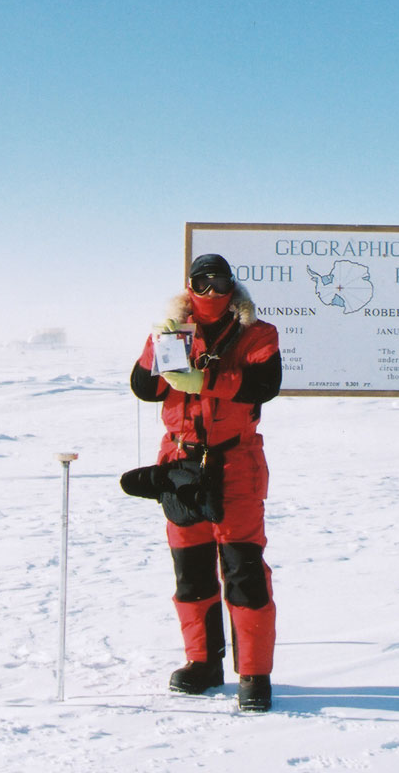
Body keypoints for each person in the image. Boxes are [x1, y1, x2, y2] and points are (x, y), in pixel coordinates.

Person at [128, 253, 282, 712]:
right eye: (203, 283)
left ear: (233, 286)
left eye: (220, 283)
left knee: (243, 568)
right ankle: (202, 662)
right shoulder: (177, 331)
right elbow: (146, 388)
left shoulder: (257, 333)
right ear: (190, 286)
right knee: (191, 569)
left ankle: (254, 674)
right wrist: (158, 345)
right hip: (181, 463)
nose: (212, 292)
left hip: (236, 463)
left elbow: (264, 384)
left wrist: (205, 381)